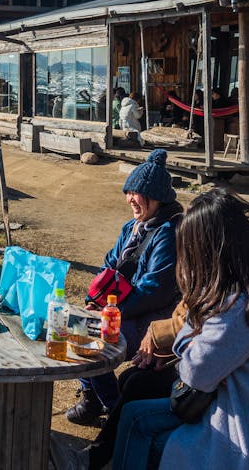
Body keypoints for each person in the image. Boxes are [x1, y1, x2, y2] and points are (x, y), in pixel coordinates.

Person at [111, 188, 249, 470]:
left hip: (243, 439)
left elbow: (194, 372)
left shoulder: (238, 306)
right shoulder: (247, 287)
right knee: (133, 410)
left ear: (209, 250)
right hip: (246, 418)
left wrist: (189, 341)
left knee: (140, 424)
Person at [66, 149, 183, 426]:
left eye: (136, 193)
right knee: (74, 329)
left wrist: (113, 311)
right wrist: (94, 300)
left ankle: (114, 407)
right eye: (128, 192)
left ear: (156, 197)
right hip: (122, 307)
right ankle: (91, 397)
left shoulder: (167, 233)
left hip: (150, 316)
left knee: (92, 341)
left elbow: (156, 289)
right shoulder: (133, 226)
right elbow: (109, 266)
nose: (130, 199)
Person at [86, 301, 187, 470]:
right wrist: (171, 353)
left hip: (204, 387)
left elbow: (196, 326)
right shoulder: (210, 283)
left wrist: (156, 334)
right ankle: (104, 453)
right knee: (128, 377)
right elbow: (187, 317)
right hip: (181, 354)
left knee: (137, 390)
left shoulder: (228, 292)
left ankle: (94, 458)